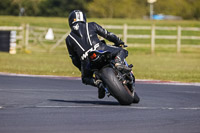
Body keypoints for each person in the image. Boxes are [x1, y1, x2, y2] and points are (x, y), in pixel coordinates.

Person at [65, 10, 132, 99]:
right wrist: (119, 42)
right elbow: (107, 35)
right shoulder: (92, 25)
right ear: (84, 19)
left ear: (70, 22)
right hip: (101, 49)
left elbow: (74, 58)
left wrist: (81, 68)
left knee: (85, 78)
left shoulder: (68, 39)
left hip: (86, 60)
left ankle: (98, 83)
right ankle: (118, 62)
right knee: (122, 51)